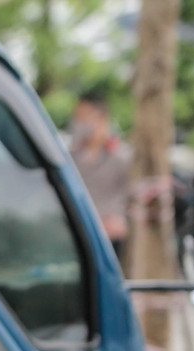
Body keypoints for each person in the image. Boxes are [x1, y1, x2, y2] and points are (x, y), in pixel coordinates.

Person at [69, 89, 131, 258]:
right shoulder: (69, 159)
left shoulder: (123, 159)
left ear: (101, 118)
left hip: (111, 246)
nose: (79, 123)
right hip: (77, 240)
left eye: (85, 117)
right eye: (77, 117)